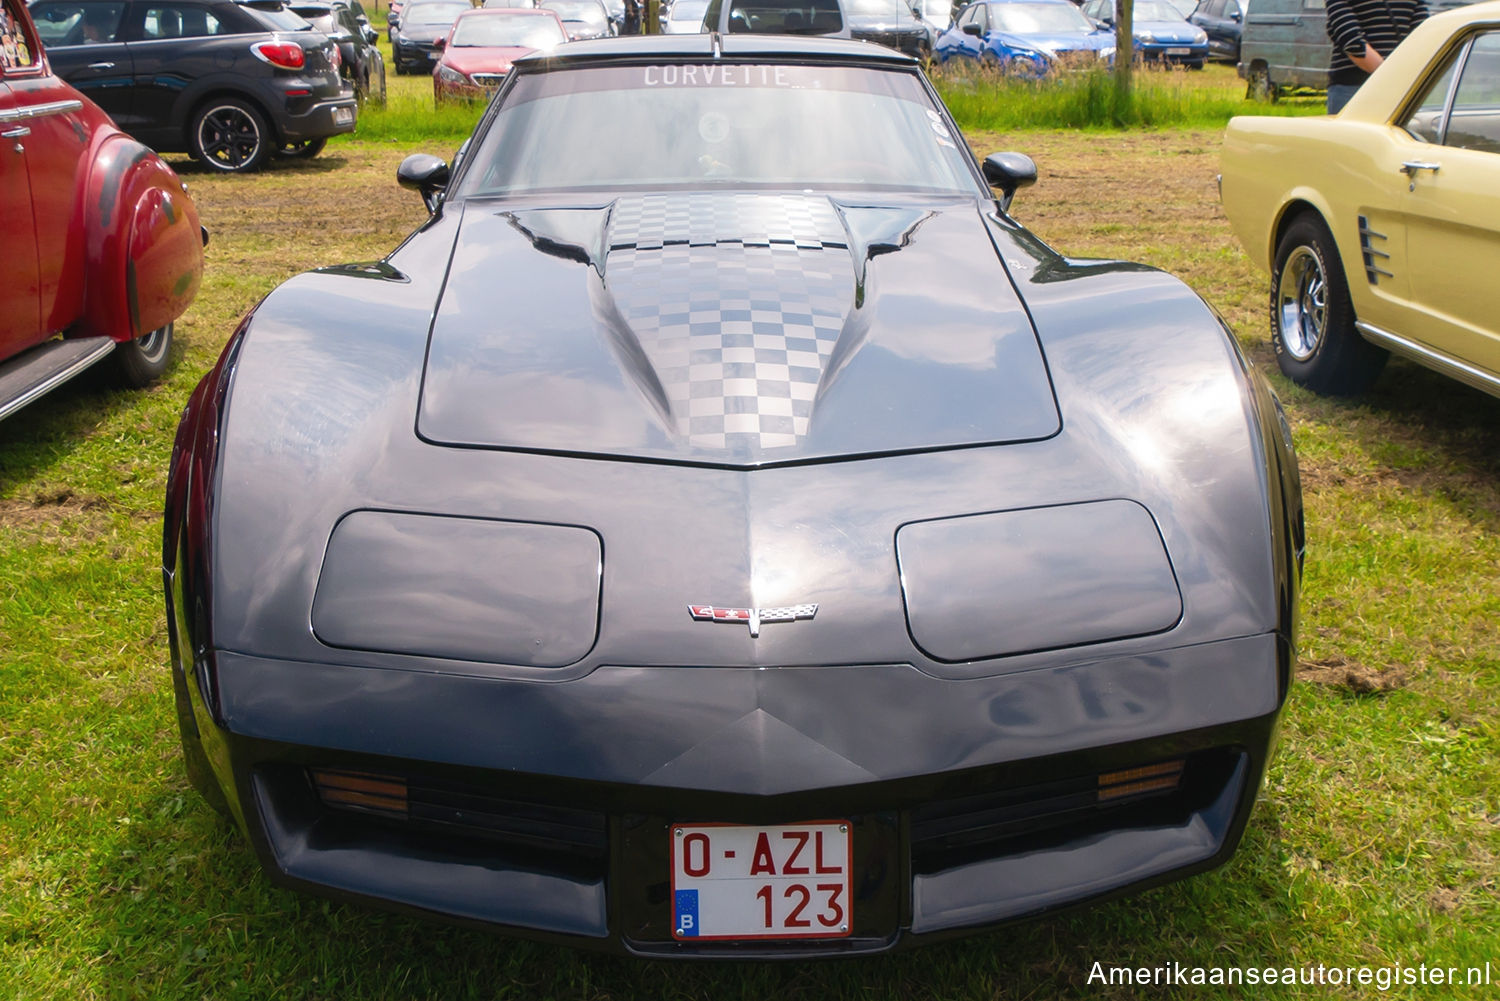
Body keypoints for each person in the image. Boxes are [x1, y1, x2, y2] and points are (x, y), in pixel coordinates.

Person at [1324, 0, 1428, 113]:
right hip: (1357, 87)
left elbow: (1423, 35)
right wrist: (1394, 79)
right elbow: (1353, 44)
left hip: (1393, 85)